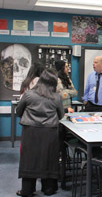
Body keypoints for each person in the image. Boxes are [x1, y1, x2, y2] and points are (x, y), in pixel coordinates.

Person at [16, 69, 64, 197]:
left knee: (29, 160)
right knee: (49, 159)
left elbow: (18, 111)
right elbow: (61, 115)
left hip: (30, 132)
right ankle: (48, 189)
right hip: (50, 132)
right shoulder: (56, 97)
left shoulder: (29, 95)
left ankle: (27, 190)